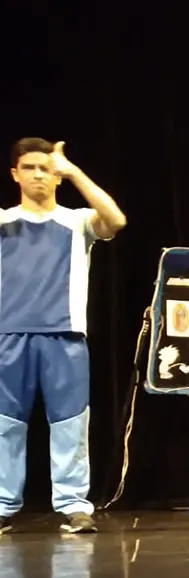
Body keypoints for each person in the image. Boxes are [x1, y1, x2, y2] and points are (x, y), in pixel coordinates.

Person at [0, 138, 126, 535]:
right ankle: (3, 504)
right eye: (30, 168)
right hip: (9, 335)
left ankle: (73, 505)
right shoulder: (3, 222)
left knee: (70, 423)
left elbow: (116, 220)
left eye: (46, 168)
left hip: (65, 335)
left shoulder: (77, 222)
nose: (39, 175)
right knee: (5, 424)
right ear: (15, 174)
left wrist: (72, 171)